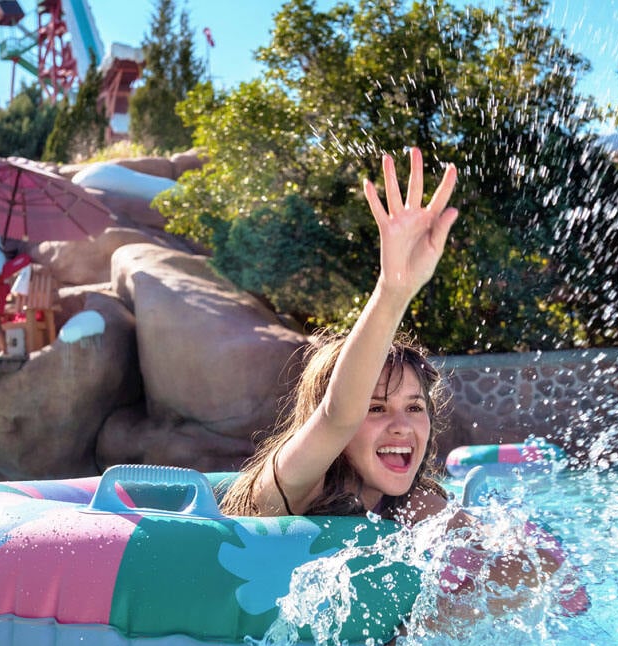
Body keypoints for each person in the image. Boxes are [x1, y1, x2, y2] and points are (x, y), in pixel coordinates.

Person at [219, 148, 588, 617]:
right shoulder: (292, 484)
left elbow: (540, 576)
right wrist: (393, 291)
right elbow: (336, 415)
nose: (402, 425)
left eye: (415, 407)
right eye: (376, 408)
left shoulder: (412, 504)